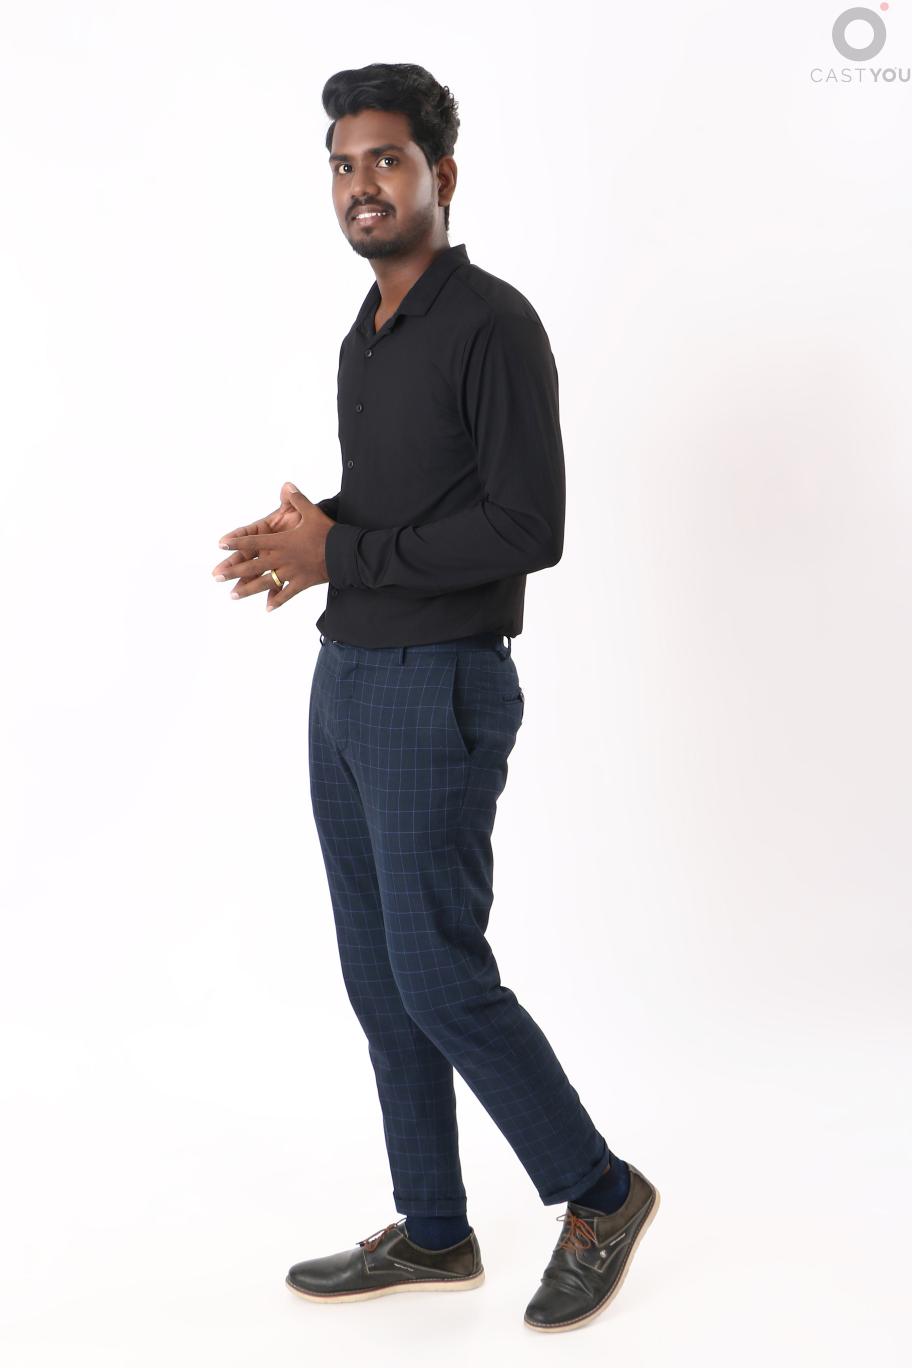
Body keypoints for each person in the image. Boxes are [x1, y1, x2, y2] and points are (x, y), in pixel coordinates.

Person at [211, 61, 659, 1333]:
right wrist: (315, 535)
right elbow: (404, 505)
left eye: (386, 160)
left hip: (439, 685)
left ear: (439, 175)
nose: (362, 184)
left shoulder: (492, 325)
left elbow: (528, 527)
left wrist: (343, 552)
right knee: (378, 977)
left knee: (440, 976)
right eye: (343, 166)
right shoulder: (367, 332)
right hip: (347, 680)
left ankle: (601, 1192)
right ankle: (435, 1229)